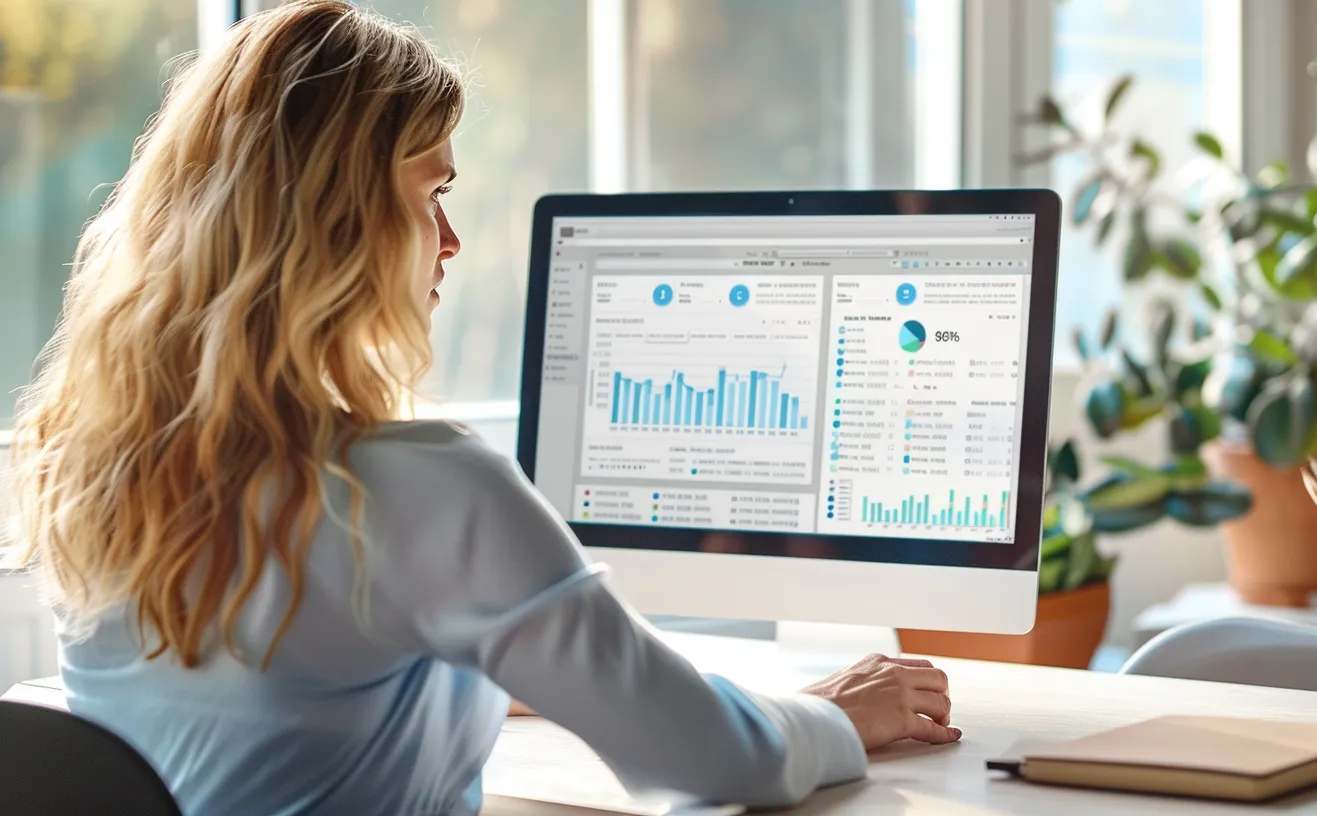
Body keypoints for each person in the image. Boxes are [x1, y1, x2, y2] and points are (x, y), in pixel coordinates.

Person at [3, 2, 960, 814]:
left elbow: (298, 699)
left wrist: (568, 676)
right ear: (341, 222)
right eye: (431, 193)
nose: (451, 239)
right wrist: (837, 713)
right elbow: (713, 759)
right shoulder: (421, 485)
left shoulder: (93, 465)